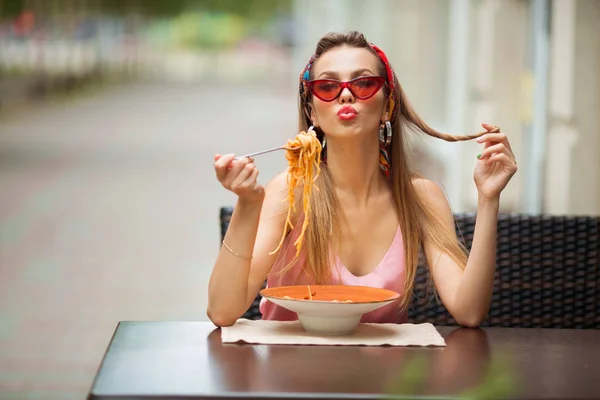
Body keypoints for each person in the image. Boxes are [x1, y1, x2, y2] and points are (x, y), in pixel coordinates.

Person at [208, 31, 518, 328]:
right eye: (327, 87)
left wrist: (488, 199)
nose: (345, 94)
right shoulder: (290, 190)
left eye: (364, 83)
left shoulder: (420, 196)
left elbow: (469, 311)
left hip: (384, 378)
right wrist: (248, 204)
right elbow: (222, 311)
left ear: (387, 105)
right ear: (312, 111)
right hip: (292, 375)